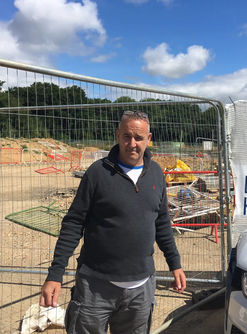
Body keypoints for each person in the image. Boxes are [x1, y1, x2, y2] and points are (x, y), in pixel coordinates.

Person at [40, 110, 186, 334]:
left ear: (149, 139)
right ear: (117, 135)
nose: (132, 143)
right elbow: (73, 224)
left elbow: (162, 223)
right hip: (95, 287)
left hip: (141, 290)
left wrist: (174, 264)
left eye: (139, 137)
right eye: (127, 136)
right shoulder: (98, 173)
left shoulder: (156, 173)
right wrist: (55, 274)